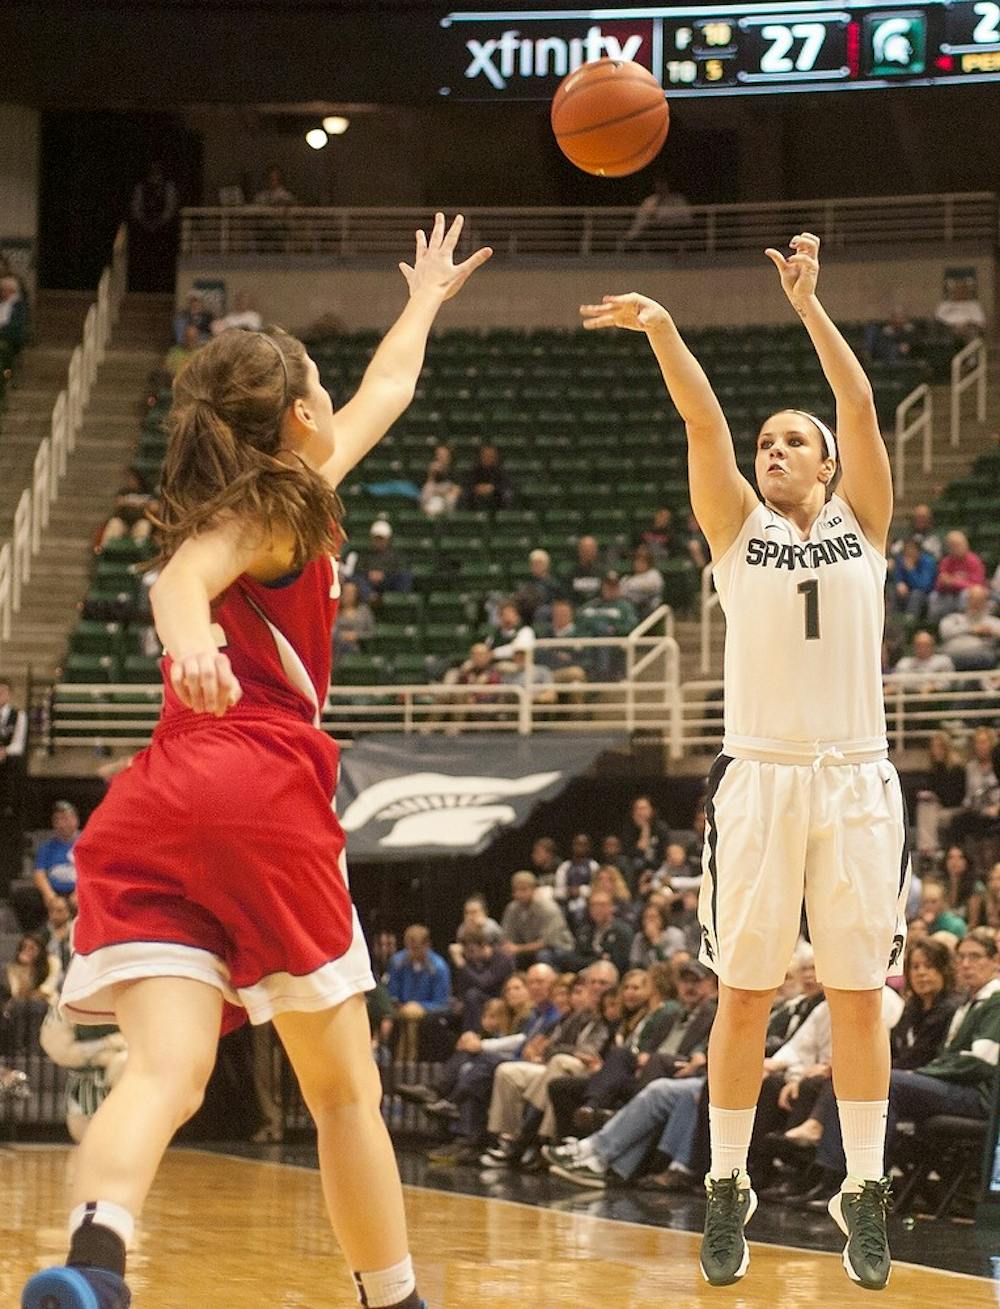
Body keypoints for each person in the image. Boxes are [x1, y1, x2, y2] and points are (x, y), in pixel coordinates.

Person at [20, 211, 491, 1309]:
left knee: (166, 1071)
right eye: (319, 387)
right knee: (343, 1095)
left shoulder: (271, 490)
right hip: (255, 785)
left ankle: (95, 1264)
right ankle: (395, 1299)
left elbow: (383, 392)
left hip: (157, 799)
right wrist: (192, 651)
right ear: (294, 414)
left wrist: (422, 303)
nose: (337, 401)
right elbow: (179, 582)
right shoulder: (283, 504)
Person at [581, 231, 905, 1290]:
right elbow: (701, 419)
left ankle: (865, 1186)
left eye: (788, 441)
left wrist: (810, 306)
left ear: (826, 463)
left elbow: (856, 403)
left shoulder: (863, 524)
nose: (770, 450)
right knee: (744, 991)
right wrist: (664, 330)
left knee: (856, 994)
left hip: (856, 775)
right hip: (759, 774)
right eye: (764, 442)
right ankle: (727, 1183)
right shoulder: (735, 531)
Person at [128, 162, 179, 294]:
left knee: (162, 262)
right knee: (144, 261)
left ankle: (161, 288)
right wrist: (145, 222)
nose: (155, 172)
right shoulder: (141, 187)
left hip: (163, 231)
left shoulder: (168, 187)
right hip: (144, 231)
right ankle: (142, 288)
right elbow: (136, 208)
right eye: (153, 170)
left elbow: (171, 208)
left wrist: (159, 222)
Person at [33, 801, 82, 911]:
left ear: (75, 820)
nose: (61, 824)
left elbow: (93, 873)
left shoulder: (87, 845)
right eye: (57, 820)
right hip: (55, 892)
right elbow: (39, 874)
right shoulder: (46, 848)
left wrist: (80, 892)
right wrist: (51, 897)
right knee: (24, 896)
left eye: (65, 819)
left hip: (79, 892)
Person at [461, 444, 515, 511]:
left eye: (491, 456)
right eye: (485, 455)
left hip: (497, 499)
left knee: (506, 494)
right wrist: (477, 488)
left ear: (496, 457)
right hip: (475, 500)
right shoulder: (474, 470)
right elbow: (467, 484)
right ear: (481, 457)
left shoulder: (500, 471)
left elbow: (507, 485)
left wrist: (493, 488)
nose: (488, 458)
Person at [0, 275, 29, 356]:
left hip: (12, 336)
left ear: (12, 290)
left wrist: (1, 329)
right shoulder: (2, 303)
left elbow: (16, 324)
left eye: (3, 290)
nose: (2, 292)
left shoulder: (19, 305)